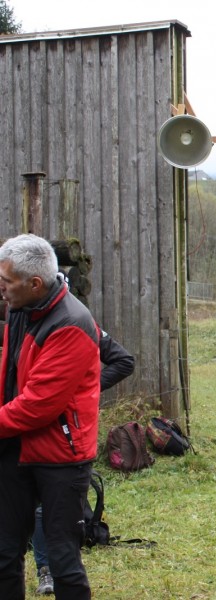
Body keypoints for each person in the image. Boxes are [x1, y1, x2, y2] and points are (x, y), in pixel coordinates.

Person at [0, 233, 100, 600]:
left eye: (6, 281)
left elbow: (37, 406)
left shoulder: (71, 323)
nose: (1, 287)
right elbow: (11, 376)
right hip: (14, 448)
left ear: (34, 283)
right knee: (4, 552)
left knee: (62, 559)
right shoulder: (19, 307)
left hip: (60, 458)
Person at [32, 328, 136, 595]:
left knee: (49, 503)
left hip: (64, 435)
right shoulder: (21, 320)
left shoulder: (80, 322)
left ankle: (49, 570)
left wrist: (83, 388)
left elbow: (124, 361)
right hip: (23, 418)